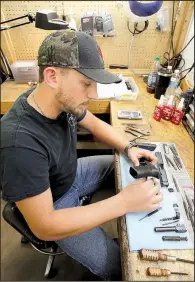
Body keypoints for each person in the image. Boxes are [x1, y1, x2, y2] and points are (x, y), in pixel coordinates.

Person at [1, 30, 162, 281]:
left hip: (71, 174)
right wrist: (123, 203)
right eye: (87, 84)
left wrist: (128, 147)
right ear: (52, 76)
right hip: (53, 206)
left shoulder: (58, 99)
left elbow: (94, 123)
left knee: (123, 168)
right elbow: (44, 226)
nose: (94, 94)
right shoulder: (18, 142)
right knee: (119, 265)